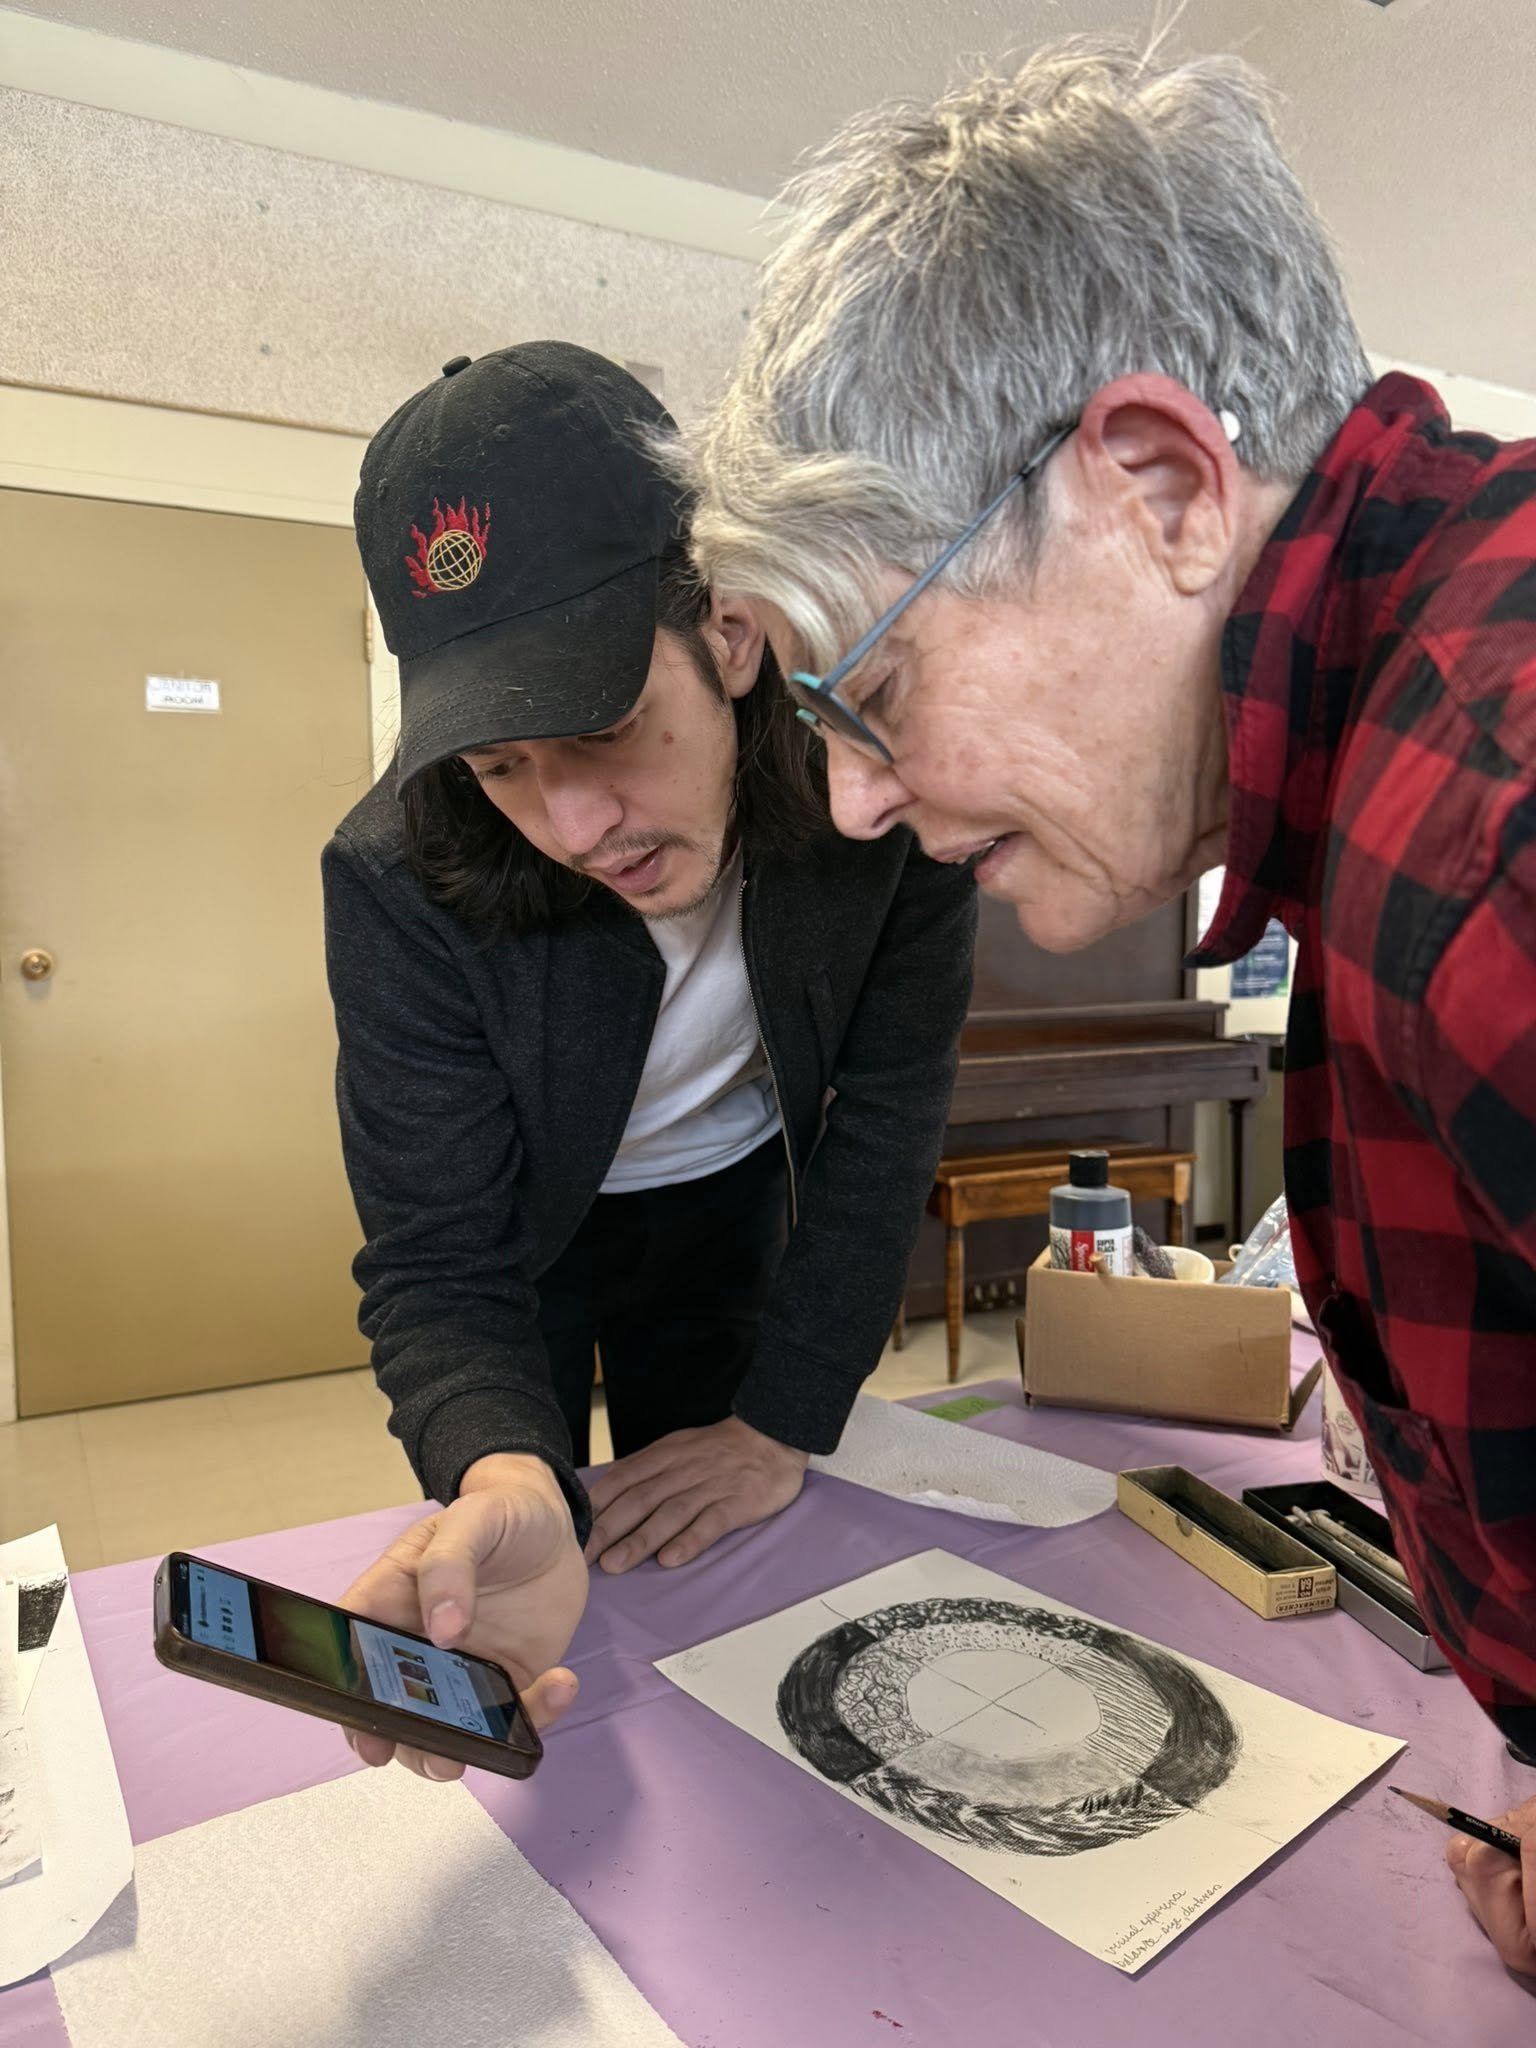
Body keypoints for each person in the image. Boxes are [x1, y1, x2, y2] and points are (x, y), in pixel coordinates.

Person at [677, 39, 1536, 1975]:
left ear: (1158, 488)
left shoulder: (1489, 824)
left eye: (869, 692)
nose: (857, 801)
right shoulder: (1409, 726)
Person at [323, 343, 974, 1775]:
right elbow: (437, 1256)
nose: (570, 823)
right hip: (524, 1229)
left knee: (736, 1562)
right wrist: (503, 1470)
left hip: (732, 1194)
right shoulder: (395, 875)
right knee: (532, 1549)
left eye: (608, 730)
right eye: (502, 768)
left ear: (729, 637)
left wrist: (786, 1422)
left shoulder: (880, 786)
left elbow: (884, 1122)